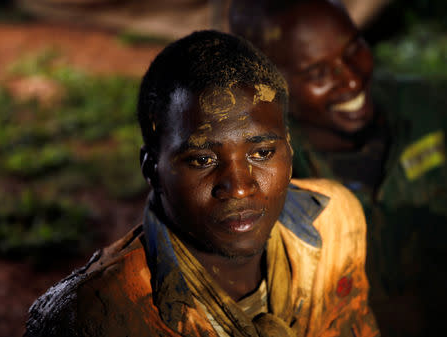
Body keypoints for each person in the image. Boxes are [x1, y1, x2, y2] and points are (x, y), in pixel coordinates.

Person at [25, 30, 379, 337]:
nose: (239, 187)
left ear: (288, 148)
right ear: (152, 170)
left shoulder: (336, 223)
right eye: (202, 160)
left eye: (262, 152)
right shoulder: (93, 316)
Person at [229, 0, 447, 336]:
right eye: (317, 73)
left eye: (353, 49)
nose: (351, 80)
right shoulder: (251, 183)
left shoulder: (429, 107)